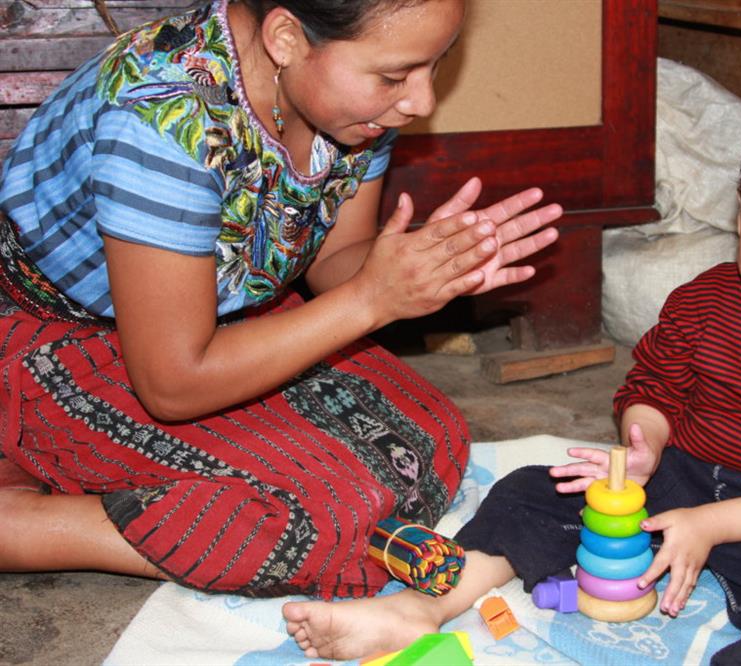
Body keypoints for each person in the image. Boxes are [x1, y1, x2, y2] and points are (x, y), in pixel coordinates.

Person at [282, 82, 741, 664]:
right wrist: (644, 444)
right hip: (683, 480)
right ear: (740, 215)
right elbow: (653, 386)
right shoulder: (703, 300)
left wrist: (710, 528)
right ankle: (426, 607)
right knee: (535, 493)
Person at [0, 0, 561, 600]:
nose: (420, 102)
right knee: (315, 525)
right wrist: (372, 301)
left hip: (219, 321)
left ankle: (66, 459)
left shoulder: (349, 103)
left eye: (434, 66)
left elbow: (333, 264)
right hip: (62, 336)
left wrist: (423, 273)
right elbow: (170, 384)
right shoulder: (163, 119)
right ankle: (25, 516)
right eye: (395, 76)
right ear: (287, 37)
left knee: (430, 444)